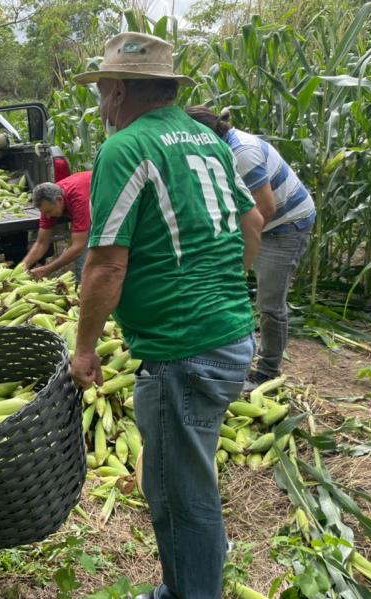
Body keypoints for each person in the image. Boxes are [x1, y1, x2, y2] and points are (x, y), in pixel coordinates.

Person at [70, 32, 264, 599]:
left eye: (104, 90)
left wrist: (84, 349)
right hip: (228, 334)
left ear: (123, 90)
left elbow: (106, 265)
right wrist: (223, 285)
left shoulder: (126, 148)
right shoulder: (205, 139)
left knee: (182, 498)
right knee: (182, 480)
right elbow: (254, 225)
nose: (101, 104)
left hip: (185, 350)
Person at [186, 106, 316, 391]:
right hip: (267, 222)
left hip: (286, 225)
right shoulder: (224, 149)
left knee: (269, 304)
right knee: (250, 294)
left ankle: (267, 371)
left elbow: (264, 209)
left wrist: (241, 259)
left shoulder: (241, 153)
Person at [20, 171, 92, 282]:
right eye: (44, 213)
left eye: (49, 211)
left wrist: (47, 269)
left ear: (59, 200)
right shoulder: (47, 204)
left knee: (85, 264)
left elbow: (78, 247)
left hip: (105, 201)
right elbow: (41, 243)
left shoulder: (79, 199)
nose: (48, 216)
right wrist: (22, 267)